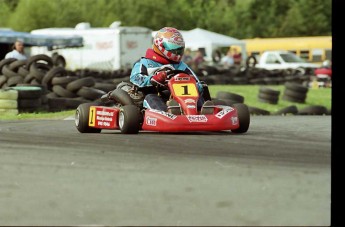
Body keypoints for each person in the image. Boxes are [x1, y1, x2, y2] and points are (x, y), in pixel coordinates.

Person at [129, 27, 207, 112]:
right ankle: (166, 113)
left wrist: (195, 85)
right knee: (152, 98)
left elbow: (198, 83)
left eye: (179, 50)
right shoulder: (145, 62)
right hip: (154, 94)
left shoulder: (181, 65)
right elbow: (135, 78)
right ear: (160, 45)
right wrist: (153, 79)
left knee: (198, 97)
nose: (176, 53)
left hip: (180, 96)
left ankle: (203, 112)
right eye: (173, 49)